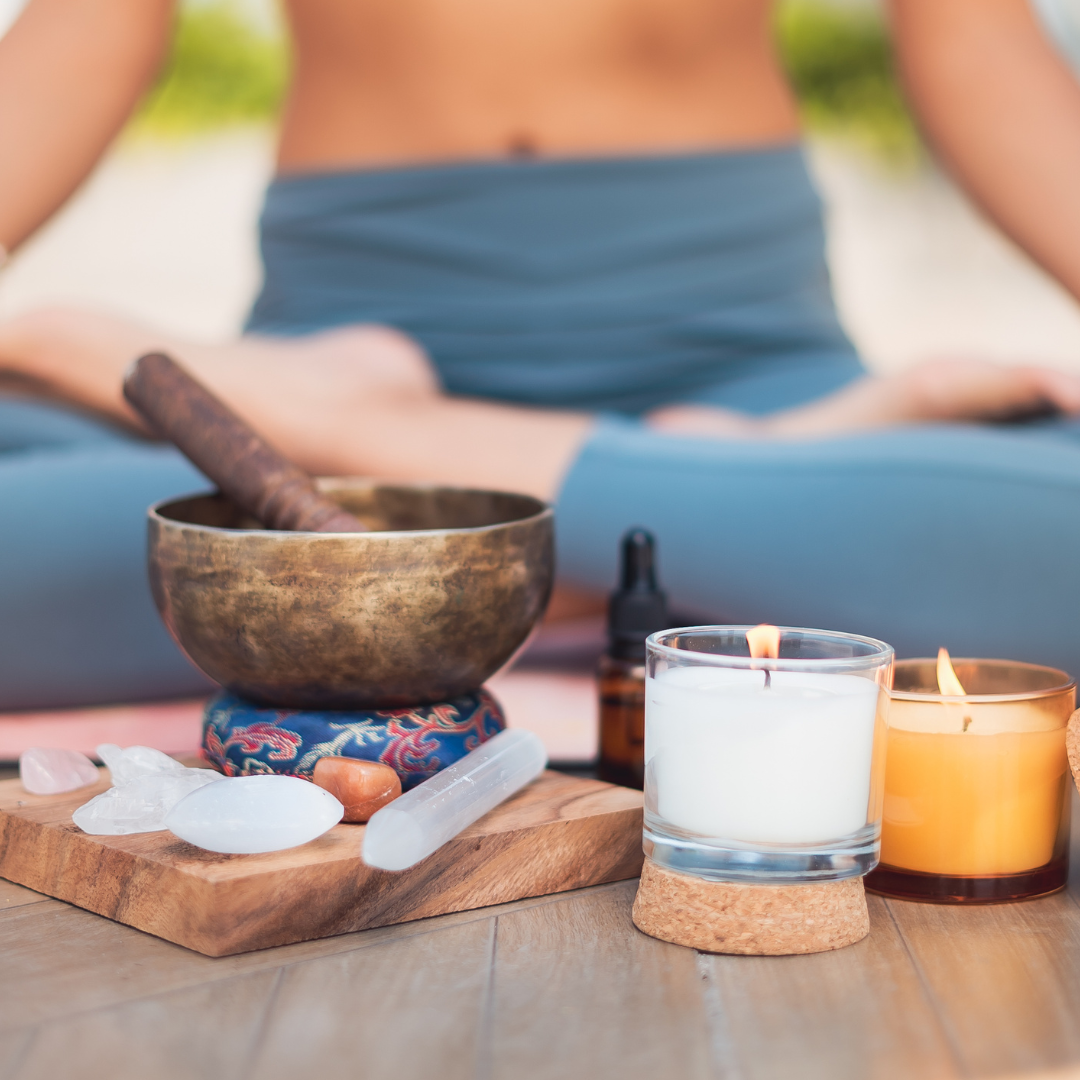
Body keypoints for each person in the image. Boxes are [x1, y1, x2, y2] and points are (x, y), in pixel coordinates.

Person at [1, 0, 1080, 709]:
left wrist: (383, 441)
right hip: (327, 357)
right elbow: (93, 24)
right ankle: (708, 523)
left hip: (734, 354)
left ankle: (397, 444)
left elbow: (972, 38)